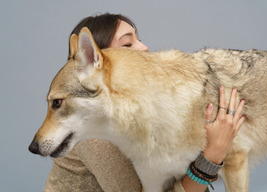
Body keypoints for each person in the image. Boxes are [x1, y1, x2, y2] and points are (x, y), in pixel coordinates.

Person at [44, 13, 246, 192]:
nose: (144, 47)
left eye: (139, 39)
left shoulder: (142, 113)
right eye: (127, 44)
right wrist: (211, 157)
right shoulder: (94, 133)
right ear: (94, 62)